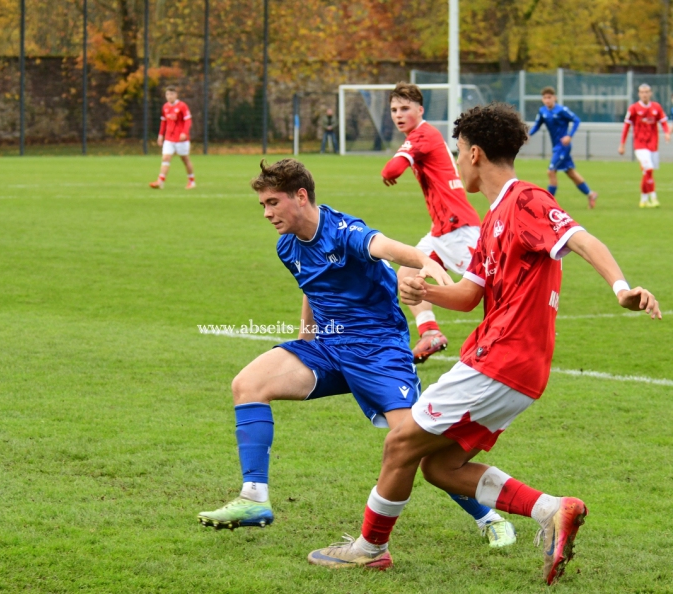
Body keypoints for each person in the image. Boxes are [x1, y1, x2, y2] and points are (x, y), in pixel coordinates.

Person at [308, 103, 661, 584]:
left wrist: (622, 289)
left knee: (400, 443)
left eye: (456, 152)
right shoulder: (494, 219)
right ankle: (553, 511)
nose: (454, 163)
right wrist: (424, 291)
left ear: (474, 153)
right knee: (442, 466)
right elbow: (471, 295)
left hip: (501, 359)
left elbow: (581, 238)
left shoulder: (525, 200)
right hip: (514, 366)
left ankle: (370, 548)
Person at [197, 158, 518, 548]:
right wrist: (305, 337)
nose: (267, 213)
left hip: (378, 351)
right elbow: (311, 285)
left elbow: (387, 247)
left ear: (301, 197)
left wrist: (425, 262)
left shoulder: (344, 232)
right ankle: (254, 498)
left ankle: (488, 517)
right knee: (247, 384)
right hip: (328, 347)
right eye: (263, 205)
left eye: (273, 203)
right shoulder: (287, 246)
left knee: (412, 446)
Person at [381, 82, 481, 363]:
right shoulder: (420, 135)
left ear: (420, 109)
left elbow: (392, 169)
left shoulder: (422, 135)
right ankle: (430, 333)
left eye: (405, 108)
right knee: (406, 276)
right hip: (441, 230)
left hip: (457, 227)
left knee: (489, 285)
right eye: (393, 110)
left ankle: (511, 333)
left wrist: (389, 172)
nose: (398, 115)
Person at [528, 87, 598, 208]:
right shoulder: (542, 111)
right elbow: (537, 125)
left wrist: (569, 136)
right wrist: (528, 135)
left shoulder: (561, 110)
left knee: (551, 171)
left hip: (563, 146)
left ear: (554, 98)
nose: (547, 100)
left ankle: (548, 203)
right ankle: (591, 194)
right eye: (545, 98)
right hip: (556, 147)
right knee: (570, 172)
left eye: (549, 97)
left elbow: (576, 120)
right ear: (542, 99)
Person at [619, 83, 670, 208]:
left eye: (647, 92)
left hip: (653, 145)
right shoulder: (633, 108)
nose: (645, 94)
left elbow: (663, 122)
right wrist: (622, 144)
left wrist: (667, 133)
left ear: (650, 93)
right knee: (649, 168)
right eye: (642, 92)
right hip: (640, 145)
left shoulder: (657, 107)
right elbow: (626, 127)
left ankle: (643, 199)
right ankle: (654, 197)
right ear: (639, 94)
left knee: (648, 173)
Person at [149, 86, 196, 190]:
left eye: (171, 94)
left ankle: (191, 181)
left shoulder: (182, 106)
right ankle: (160, 181)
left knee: (185, 159)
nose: (169, 96)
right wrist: (160, 135)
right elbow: (163, 122)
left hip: (181, 139)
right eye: (167, 94)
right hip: (169, 138)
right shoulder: (165, 107)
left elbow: (188, 121)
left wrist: (184, 133)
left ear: (176, 95)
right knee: (165, 158)